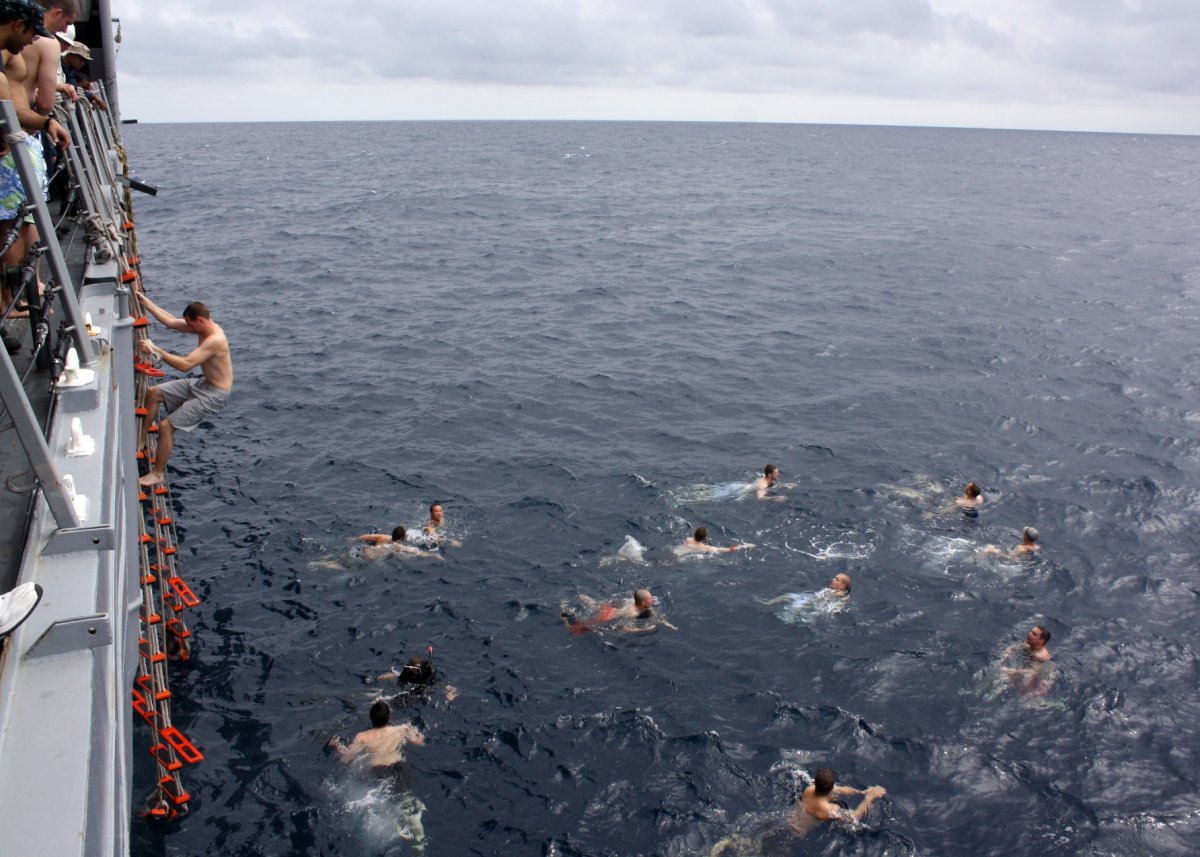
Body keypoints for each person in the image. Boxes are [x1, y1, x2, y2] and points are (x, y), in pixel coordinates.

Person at [135, 296, 232, 486]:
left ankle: (157, 473)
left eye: (191, 325)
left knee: (166, 426)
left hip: (215, 394)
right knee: (153, 393)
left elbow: (185, 365)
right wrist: (145, 302)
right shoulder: (202, 327)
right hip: (204, 384)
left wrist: (155, 349)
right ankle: (141, 441)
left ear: (200, 320)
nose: (189, 329)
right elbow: (170, 321)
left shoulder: (215, 339)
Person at [789, 768, 886, 835]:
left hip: (789, 819)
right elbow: (855, 817)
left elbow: (836, 789)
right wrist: (869, 797)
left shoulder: (809, 789)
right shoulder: (829, 809)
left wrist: (861, 792)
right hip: (798, 833)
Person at [329, 700, 424, 768]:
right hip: (396, 765)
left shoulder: (362, 737)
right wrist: (413, 730)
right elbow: (420, 743)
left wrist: (337, 745)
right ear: (389, 717)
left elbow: (346, 758)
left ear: (370, 717)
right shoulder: (401, 730)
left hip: (376, 768)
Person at [561, 589, 677, 635]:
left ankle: (588, 600)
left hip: (611, 608)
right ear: (643, 603)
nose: (653, 600)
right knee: (581, 627)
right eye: (650, 599)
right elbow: (624, 628)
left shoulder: (638, 603)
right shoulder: (632, 613)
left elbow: (654, 613)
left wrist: (667, 623)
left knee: (597, 605)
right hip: (608, 617)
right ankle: (566, 610)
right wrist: (645, 629)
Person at [1002, 625, 1055, 695]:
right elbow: (1012, 648)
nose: (1029, 634)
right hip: (1030, 667)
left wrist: (1015, 671)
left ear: (1041, 641)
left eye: (1034, 634)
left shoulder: (1043, 657)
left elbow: (1035, 672)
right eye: (1031, 632)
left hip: (1043, 675)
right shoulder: (1029, 644)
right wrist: (1007, 654)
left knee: (1027, 693)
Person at [762, 573, 851, 610]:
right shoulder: (834, 591)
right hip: (810, 598)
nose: (833, 579)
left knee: (794, 609)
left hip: (812, 604)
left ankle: (787, 620)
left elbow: (842, 595)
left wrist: (808, 604)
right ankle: (768, 603)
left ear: (842, 586)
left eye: (836, 579)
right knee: (786, 596)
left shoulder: (840, 594)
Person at [355, 526, 430, 559]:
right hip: (371, 558)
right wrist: (433, 555)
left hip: (365, 551)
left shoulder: (383, 537)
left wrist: (353, 539)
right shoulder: (398, 546)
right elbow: (417, 552)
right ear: (401, 538)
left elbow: (365, 537)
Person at [675, 526, 755, 556]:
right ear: (704, 538)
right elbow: (725, 549)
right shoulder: (705, 548)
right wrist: (745, 546)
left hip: (674, 552)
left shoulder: (688, 539)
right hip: (678, 558)